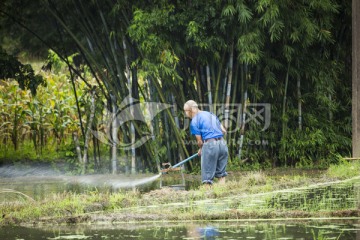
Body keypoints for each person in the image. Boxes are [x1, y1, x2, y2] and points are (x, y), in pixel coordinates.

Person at [183, 100, 228, 187]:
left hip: (210, 145)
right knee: (221, 174)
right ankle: (222, 192)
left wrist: (203, 147)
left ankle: (206, 195)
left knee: (207, 178)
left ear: (191, 110)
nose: (185, 114)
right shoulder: (210, 114)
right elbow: (223, 130)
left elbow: (199, 141)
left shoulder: (195, 121)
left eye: (186, 111)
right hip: (222, 143)